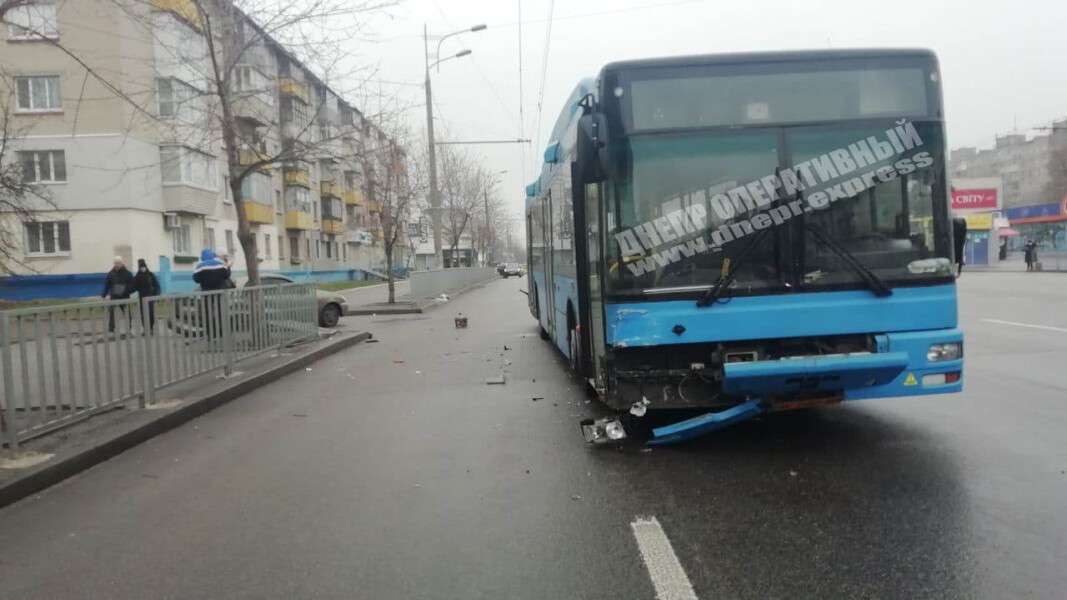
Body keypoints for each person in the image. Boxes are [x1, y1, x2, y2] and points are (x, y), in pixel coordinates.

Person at [193, 249, 231, 340]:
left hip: (206, 293)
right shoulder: (220, 263)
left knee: (207, 313)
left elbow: (196, 279)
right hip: (220, 292)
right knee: (220, 312)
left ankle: (210, 333)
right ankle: (221, 332)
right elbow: (226, 275)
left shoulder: (199, 266)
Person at [102, 257, 134, 333]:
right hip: (114, 297)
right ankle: (111, 328)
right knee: (112, 312)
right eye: (116, 263)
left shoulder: (127, 273)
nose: (117, 264)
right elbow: (107, 284)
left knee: (127, 313)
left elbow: (132, 285)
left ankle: (128, 328)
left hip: (124, 297)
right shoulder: (111, 273)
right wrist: (104, 294)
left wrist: (126, 290)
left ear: (122, 263)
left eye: (118, 263)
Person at [131, 258, 161, 332]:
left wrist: (157, 295)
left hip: (150, 298)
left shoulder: (150, 275)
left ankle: (151, 328)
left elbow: (157, 286)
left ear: (146, 266)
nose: (142, 268)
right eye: (141, 267)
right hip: (142, 298)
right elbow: (133, 287)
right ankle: (146, 329)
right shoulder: (137, 276)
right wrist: (126, 291)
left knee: (151, 313)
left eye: (143, 266)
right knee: (143, 314)